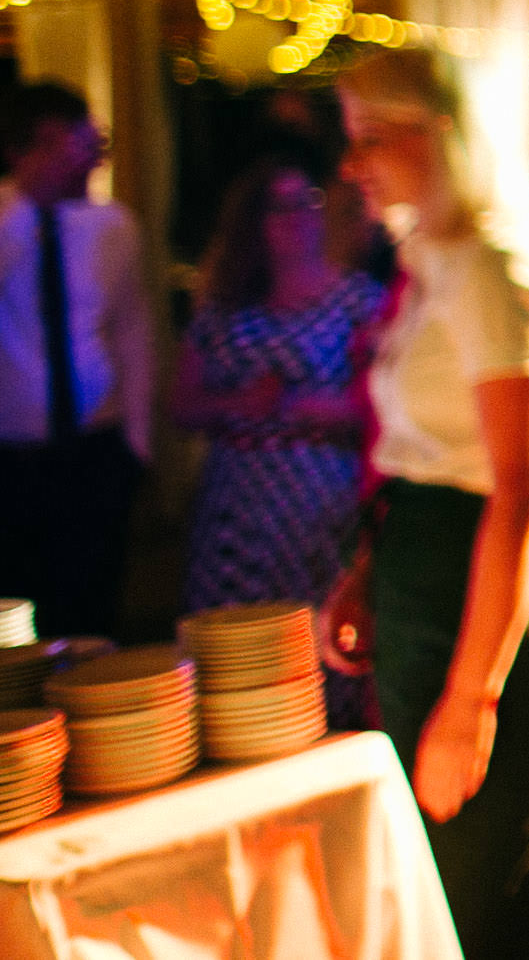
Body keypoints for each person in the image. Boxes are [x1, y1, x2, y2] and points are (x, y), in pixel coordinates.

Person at [322, 49, 529, 960]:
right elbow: (428, 452)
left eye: (373, 136)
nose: (352, 163)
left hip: (488, 597)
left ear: (440, 134)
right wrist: (371, 571)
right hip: (437, 576)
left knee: (485, 919)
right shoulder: (441, 256)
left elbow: (519, 490)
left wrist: (470, 701)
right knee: (458, 907)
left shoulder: (494, 262)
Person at [174, 151, 385, 730]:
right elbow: (182, 405)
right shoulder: (223, 309)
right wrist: (239, 404)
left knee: (323, 637)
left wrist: (313, 408)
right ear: (254, 223)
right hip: (238, 508)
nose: (299, 217)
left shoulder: (357, 300)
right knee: (237, 653)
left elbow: (387, 406)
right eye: (280, 207)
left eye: (307, 202)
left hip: (320, 506)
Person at [0, 81, 152, 639]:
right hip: (13, 455)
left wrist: (136, 439)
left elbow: (131, 332)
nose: (71, 156)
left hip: (95, 445)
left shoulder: (112, 226)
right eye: (54, 143)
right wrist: (26, 210)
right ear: (21, 150)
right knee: (22, 607)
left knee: (94, 602)